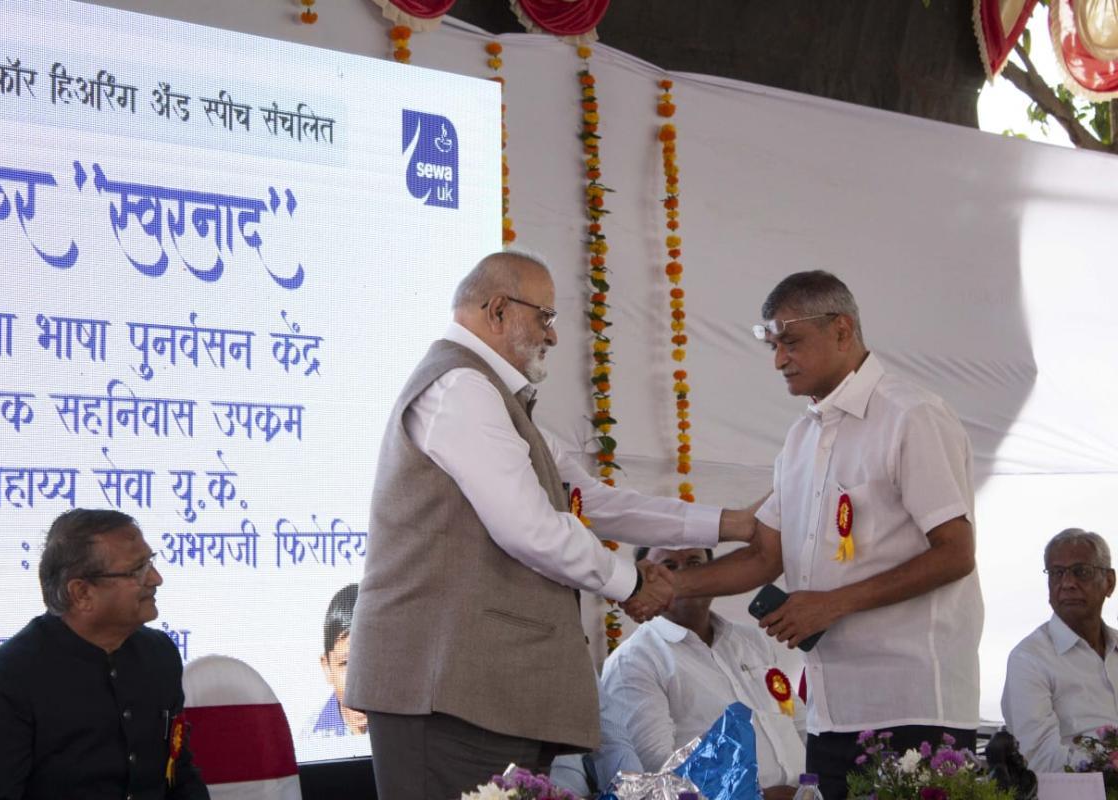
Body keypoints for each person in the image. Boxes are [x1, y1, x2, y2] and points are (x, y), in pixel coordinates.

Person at [345, 251, 756, 800]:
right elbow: (529, 528)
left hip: (480, 692)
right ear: (496, 310)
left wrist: (731, 523)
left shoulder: (495, 400)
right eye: (545, 317)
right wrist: (632, 583)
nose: (553, 336)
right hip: (441, 691)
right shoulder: (460, 389)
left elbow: (601, 503)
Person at [629, 270, 983, 800]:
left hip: (912, 701)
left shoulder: (911, 416)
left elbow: (956, 553)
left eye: (790, 343)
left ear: (842, 330)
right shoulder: (801, 438)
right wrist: (665, 587)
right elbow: (763, 555)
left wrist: (832, 604)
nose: (778, 360)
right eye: (773, 346)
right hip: (830, 709)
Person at [0, 509, 208, 800]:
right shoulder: (5, 683)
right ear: (82, 593)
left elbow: (180, 774)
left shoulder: (159, 654)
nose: (156, 578)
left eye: (150, 562)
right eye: (137, 570)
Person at [598, 547, 804, 800]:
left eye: (695, 564)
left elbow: (800, 724)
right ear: (642, 581)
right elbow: (655, 771)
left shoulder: (751, 640)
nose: (683, 576)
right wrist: (756, 796)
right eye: (669, 566)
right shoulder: (635, 660)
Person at [1001, 528, 1118, 772]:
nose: (1067, 584)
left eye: (1081, 572)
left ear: (1109, 582)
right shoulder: (1029, 659)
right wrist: (1109, 768)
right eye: (1056, 573)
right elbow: (1040, 759)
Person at [310, 583, 367, 737]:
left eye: (369, 662)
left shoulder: (408, 731)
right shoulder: (312, 738)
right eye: (345, 663)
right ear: (327, 668)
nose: (358, 682)